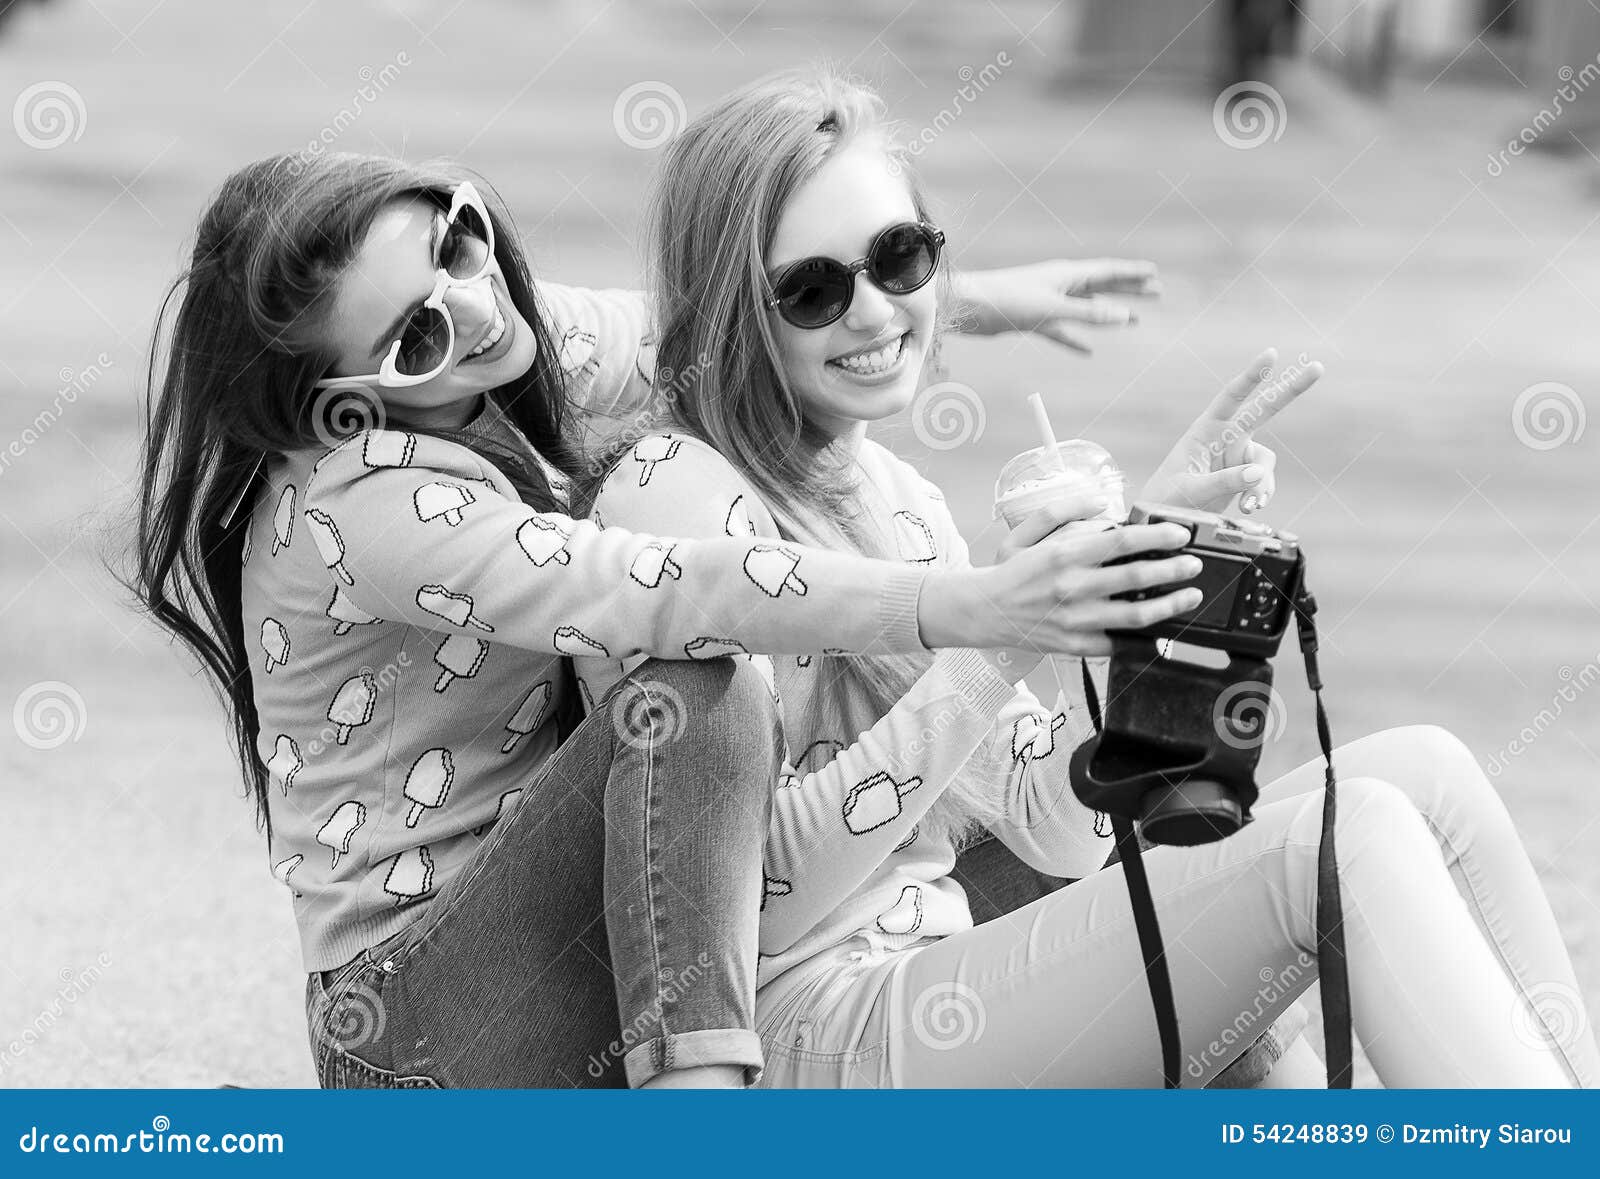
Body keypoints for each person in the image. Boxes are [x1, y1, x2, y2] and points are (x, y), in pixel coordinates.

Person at [579, 66, 1600, 1088]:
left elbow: (1055, 830)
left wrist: (1144, 562)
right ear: (729, 311)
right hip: (800, 1034)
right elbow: (739, 911)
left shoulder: (890, 493)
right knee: (1347, 838)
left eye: (899, 257)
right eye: (812, 289)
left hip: (932, 979)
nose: (873, 312)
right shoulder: (677, 491)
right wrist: (1001, 635)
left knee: (1422, 771)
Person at [125, 151, 1201, 1088]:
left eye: (457, 243)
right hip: (429, 1028)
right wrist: (973, 610)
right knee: (694, 683)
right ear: (343, 406)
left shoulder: (507, 346)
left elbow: (734, 323)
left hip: (584, 944)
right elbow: (665, 585)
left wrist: (958, 295)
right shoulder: (364, 506)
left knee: (1055, 854)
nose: (475, 306)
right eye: (415, 336)